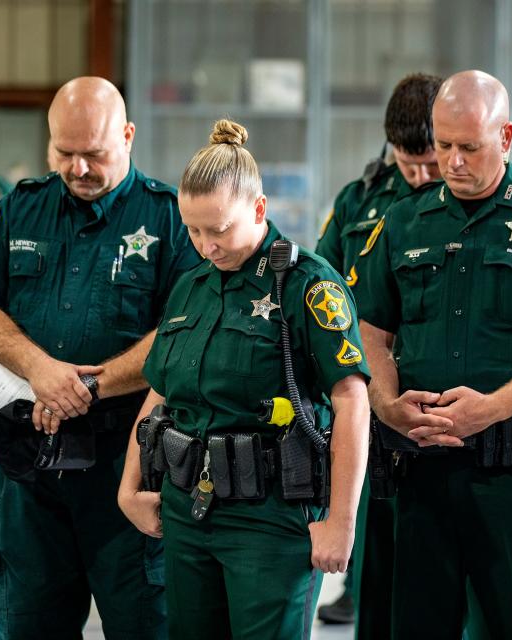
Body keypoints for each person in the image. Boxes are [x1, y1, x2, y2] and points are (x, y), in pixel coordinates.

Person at [354, 70, 512, 638]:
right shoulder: (403, 221)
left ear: (507, 136)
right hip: (421, 471)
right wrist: (387, 401)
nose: (452, 162)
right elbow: (366, 329)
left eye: (469, 147)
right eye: (443, 145)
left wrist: (494, 407)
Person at [0, 76, 198, 639]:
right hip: (29, 466)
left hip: (127, 465)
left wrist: (90, 388)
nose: (79, 169)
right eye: (64, 153)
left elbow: (180, 333)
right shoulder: (21, 206)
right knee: (30, 619)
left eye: (93, 154)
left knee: (142, 620)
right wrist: (41, 370)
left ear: (128, 136)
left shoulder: (167, 218)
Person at [116, 118, 370, 639]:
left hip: (271, 517)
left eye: (219, 229)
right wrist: (130, 486)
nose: (205, 244)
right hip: (189, 512)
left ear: (258, 209)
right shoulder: (190, 288)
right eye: (193, 230)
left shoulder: (309, 285)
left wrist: (342, 522)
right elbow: (160, 394)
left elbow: (352, 402)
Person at [315, 72, 441, 633]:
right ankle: (360, 597)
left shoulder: (469, 199)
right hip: (367, 399)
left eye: (430, 161)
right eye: (407, 160)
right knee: (371, 535)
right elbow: (317, 283)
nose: (420, 175)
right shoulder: (359, 200)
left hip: (437, 400)